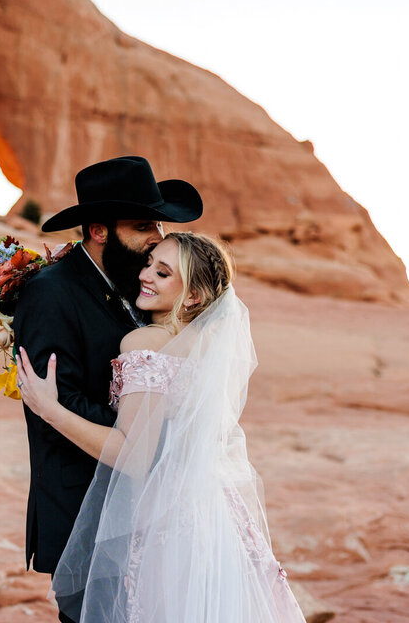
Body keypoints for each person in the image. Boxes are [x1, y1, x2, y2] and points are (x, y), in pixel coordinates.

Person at [17, 232, 306, 622]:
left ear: (192, 297)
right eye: (150, 262)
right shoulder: (201, 344)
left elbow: (134, 455)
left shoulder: (146, 342)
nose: (145, 275)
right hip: (211, 517)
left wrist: (49, 410)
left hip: (160, 524)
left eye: (163, 272)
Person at [12, 156, 203, 623]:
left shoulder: (134, 284)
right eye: (142, 225)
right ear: (99, 231)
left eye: (156, 223)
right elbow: (56, 397)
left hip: (144, 509)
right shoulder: (50, 291)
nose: (156, 235)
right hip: (86, 512)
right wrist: (144, 438)